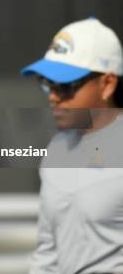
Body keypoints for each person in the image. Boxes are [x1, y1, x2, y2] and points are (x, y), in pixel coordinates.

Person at [21, 17, 123, 273]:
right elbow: (47, 252)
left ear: (107, 84)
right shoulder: (56, 150)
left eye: (66, 86)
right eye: (47, 85)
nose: (53, 97)